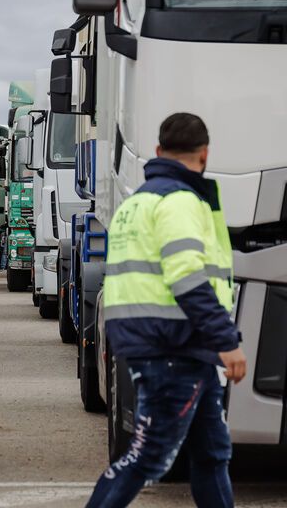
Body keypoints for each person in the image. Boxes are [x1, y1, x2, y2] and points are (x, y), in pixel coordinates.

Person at [85, 113, 246, 508]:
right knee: (148, 455)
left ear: (158, 152)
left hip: (163, 345)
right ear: (204, 155)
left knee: (211, 454)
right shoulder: (180, 203)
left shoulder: (134, 204)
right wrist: (226, 340)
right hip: (173, 347)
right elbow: (188, 278)